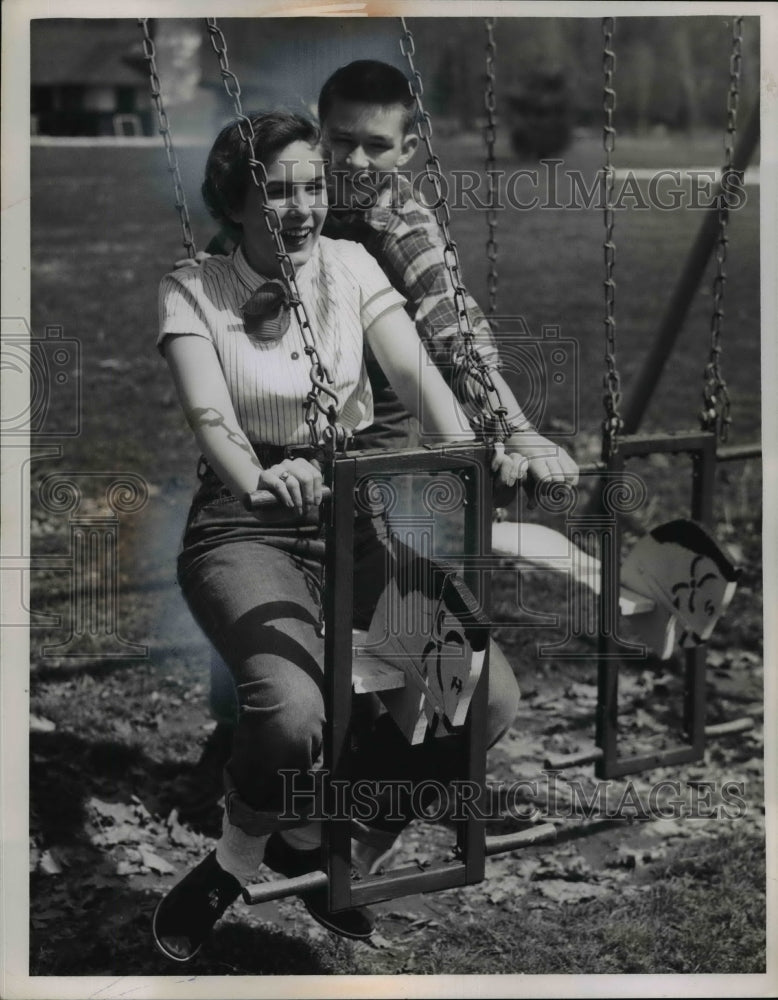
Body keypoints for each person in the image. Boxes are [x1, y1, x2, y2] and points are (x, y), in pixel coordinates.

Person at [152, 110, 523, 962]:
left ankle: (333, 841)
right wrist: (259, 474)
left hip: (352, 517)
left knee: (483, 694)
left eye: (313, 186)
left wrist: (481, 445)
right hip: (245, 523)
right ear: (236, 199)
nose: (303, 206)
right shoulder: (191, 286)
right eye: (278, 191)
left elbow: (416, 377)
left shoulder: (354, 267)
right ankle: (236, 861)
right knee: (290, 715)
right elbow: (209, 412)